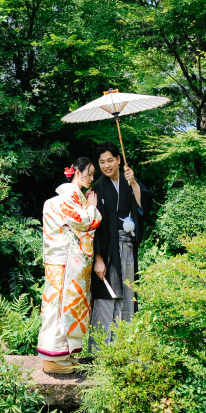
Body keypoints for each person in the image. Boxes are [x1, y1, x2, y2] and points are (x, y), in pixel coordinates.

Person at [36, 156, 101, 373]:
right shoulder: (67, 199)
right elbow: (85, 222)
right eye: (88, 173)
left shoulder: (73, 198)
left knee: (66, 306)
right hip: (64, 262)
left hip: (65, 260)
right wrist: (92, 207)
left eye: (93, 174)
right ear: (76, 172)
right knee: (59, 306)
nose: (91, 178)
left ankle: (64, 355)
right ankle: (52, 358)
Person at [90, 141, 146, 345]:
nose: (106, 165)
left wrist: (134, 184)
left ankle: (125, 346)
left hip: (128, 248)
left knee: (128, 293)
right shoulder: (97, 188)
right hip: (107, 251)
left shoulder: (128, 181)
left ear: (119, 160)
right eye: (102, 162)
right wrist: (98, 258)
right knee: (107, 293)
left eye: (110, 160)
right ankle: (100, 350)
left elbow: (142, 207)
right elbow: (94, 225)